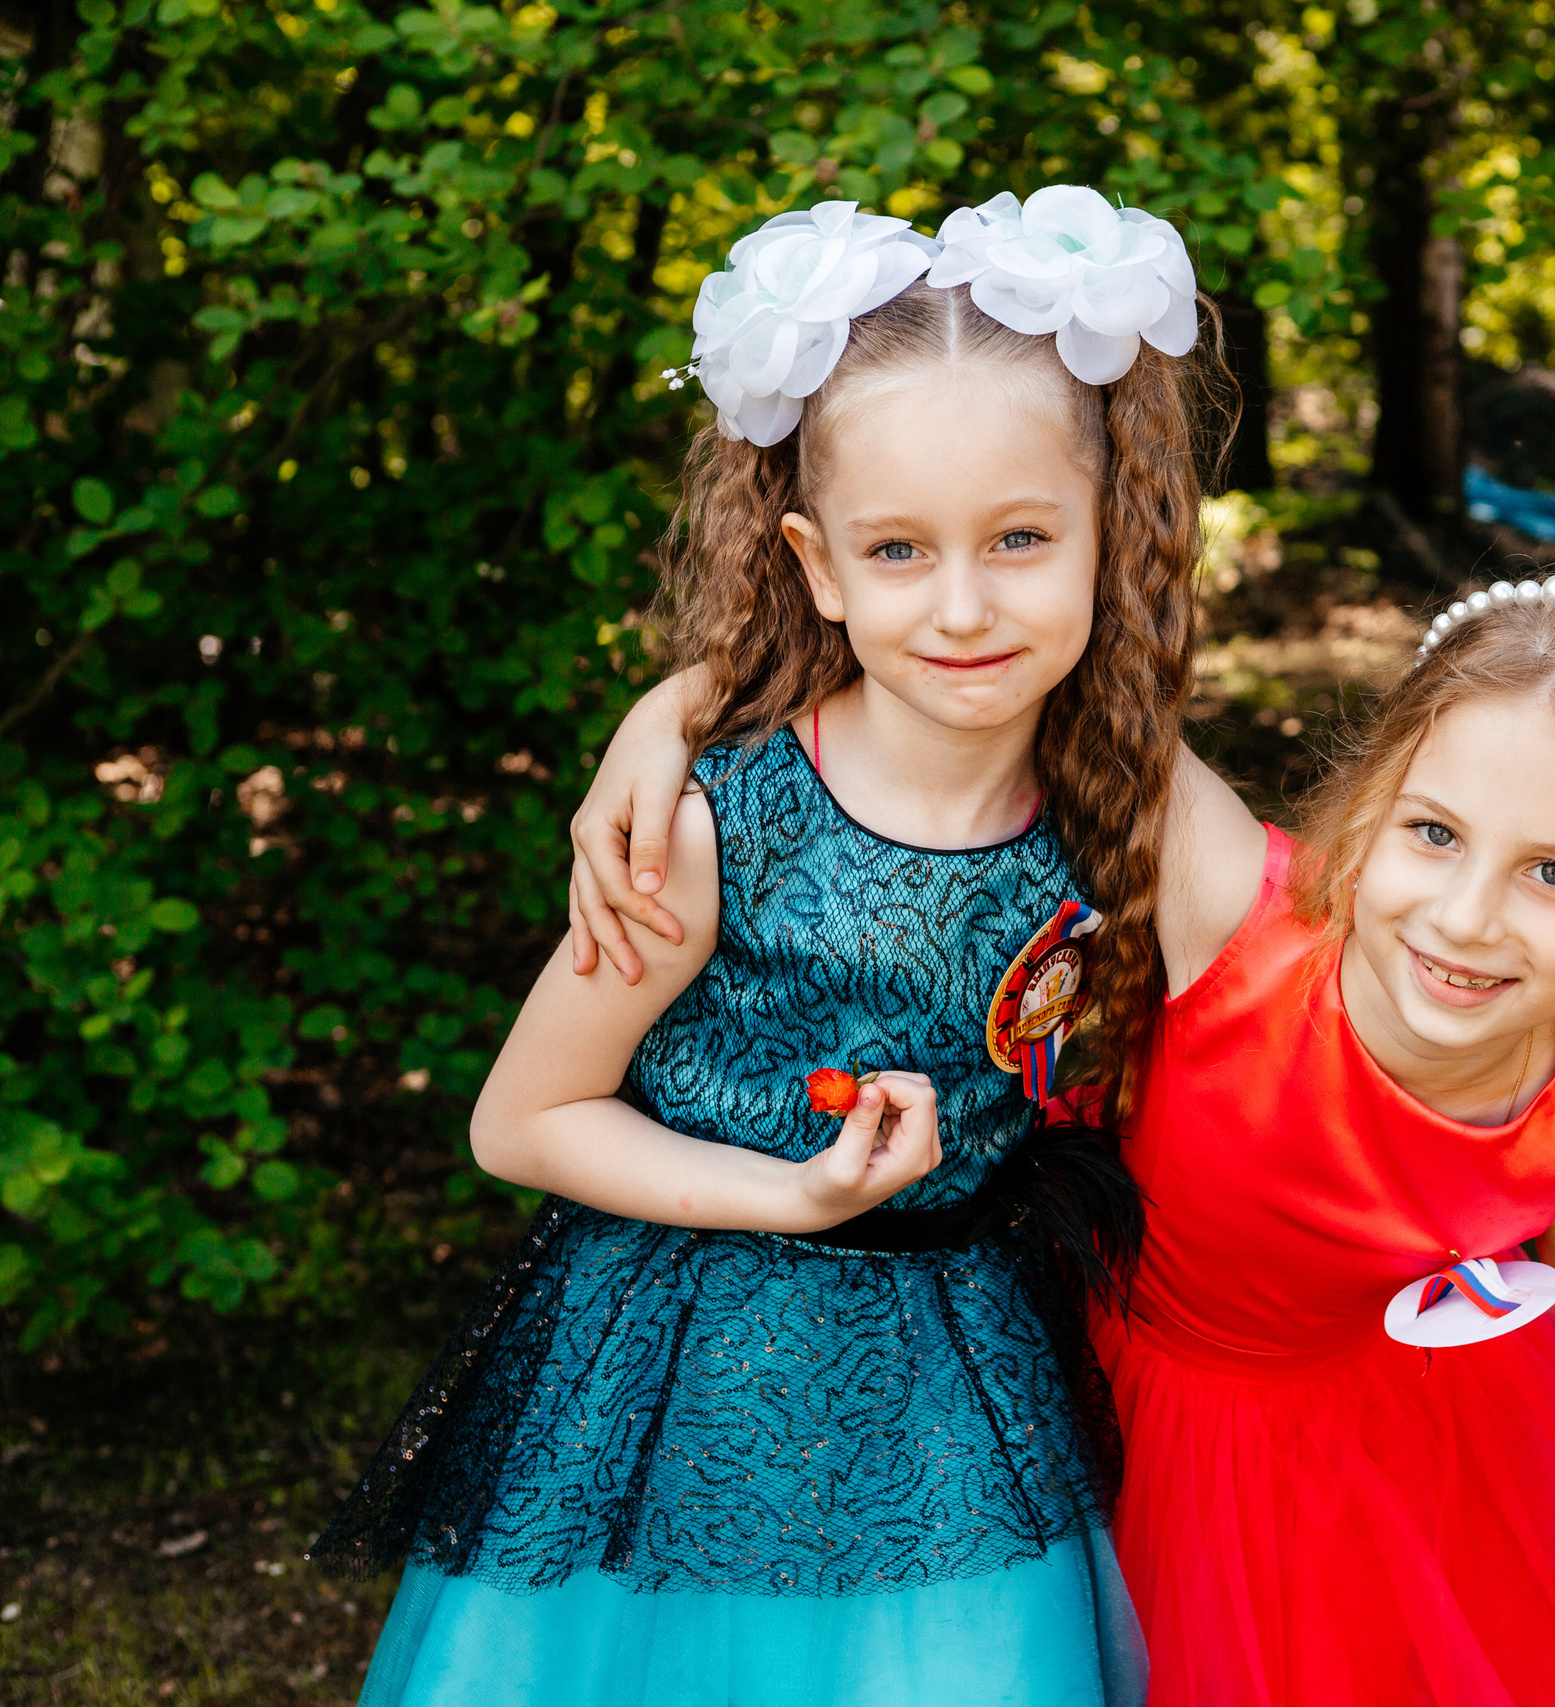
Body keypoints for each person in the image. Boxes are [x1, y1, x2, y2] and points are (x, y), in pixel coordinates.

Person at [570, 557, 1555, 1705]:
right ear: (1364, 810)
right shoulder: (1234, 912)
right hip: (1081, 1406)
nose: (1466, 918)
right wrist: (680, 703)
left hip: (1383, 1488)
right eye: (1435, 835)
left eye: (1554, 876)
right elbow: (1009, 666)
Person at [308, 189, 1219, 1706]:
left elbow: (1342, 957)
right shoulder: (716, 824)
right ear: (817, 563)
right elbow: (521, 1120)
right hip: (686, 1385)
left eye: (1019, 538)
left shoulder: (1125, 801)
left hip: (967, 1405)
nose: (968, 605)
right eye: (900, 551)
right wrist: (785, 1196)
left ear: (1106, 533)